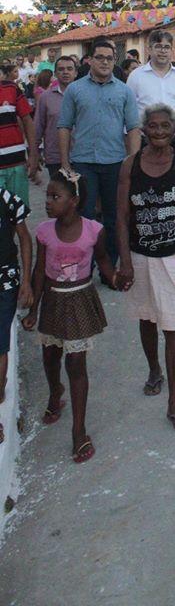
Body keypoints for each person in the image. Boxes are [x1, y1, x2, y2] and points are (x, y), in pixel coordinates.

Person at [116, 104, 175, 433]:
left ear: (174, 130)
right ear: (144, 130)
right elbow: (122, 215)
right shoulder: (130, 165)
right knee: (147, 318)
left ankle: (174, 400)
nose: (158, 132)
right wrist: (125, 261)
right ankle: (153, 369)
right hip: (140, 254)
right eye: (153, 126)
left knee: (172, 325)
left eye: (165, 127)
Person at [22, 169, 120, 463]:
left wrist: (114, 278)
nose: (48, 202)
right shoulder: (44, 231)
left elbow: (102, 259)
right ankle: (55, 393)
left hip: (79, 300)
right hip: (52, 300)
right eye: (47, 196)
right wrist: (33, 309)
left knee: (76, 363)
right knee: (51, 355)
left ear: (74, 201)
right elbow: (40, 272)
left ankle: (79, 431)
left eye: (56, 196)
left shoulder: (93, 230)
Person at [57, 37, 141, 267]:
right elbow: (64, 126)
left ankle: (110, 266)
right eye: (100, 57)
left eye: (109, 58)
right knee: (85, 216)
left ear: (115, 61)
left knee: (115, 217)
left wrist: (132, 163)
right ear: (90, 60)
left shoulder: (125, 92)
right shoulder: (75, 90)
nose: (104, 62)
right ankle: (85, 265)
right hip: (82, 163)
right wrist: (65, 163)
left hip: (115, 163)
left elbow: (134, 128)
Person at [127, 30, 175, 154]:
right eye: (158, 46)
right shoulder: (136, 76)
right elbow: (129, 112)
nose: (163, 51)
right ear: (149, 49)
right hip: (145, 141)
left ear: (171, 50)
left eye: (166, 47)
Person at [0, 186, 32, 446]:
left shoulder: (6, 198)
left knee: (0, 345)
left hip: (5, 283)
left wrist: (27, 282)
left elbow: (24, 237)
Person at [0, 60, 39, 205]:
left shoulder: (11, 88)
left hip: (16, 164)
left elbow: (28, 120)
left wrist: (34, 154)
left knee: (19, 215)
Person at [34, 56, 77, 178]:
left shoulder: (84, 96)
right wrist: (34, 153)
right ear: (55, 73)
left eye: (69, 69)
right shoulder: (46, 97)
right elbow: (38, 127)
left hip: (81, 156)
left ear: (76, 73)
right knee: (59, 194)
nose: (65, 72)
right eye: (61, 69)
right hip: (55, 157)